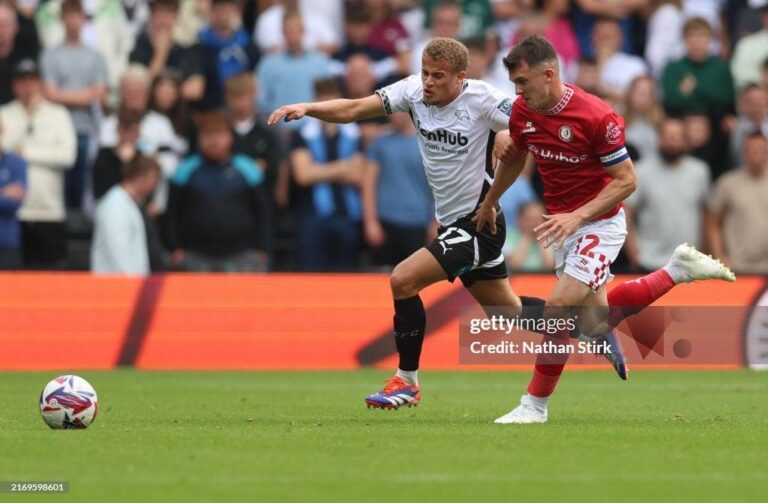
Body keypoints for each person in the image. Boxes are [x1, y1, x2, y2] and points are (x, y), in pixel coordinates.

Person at [269, 36, 733, 422]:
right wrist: (308, 107)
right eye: (425, 72)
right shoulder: (412, 92)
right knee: (510, 315)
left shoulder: (490, 100)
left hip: (480, 224)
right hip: (478, 217)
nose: (428, 82)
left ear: (461, 78)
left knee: (403, 279)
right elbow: (355, 108)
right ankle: (611, 315)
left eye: (438, 76)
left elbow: (527, 121)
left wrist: (511, 138)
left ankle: (410, 383)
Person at [474, 35, 733, 424]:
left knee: (559, 309)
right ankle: (676, 270)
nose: (518, 92)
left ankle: (534, 406)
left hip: (600, 223)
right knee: (592, 323)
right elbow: (516, 158)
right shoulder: (525, 112)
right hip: (563, 225)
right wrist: (491, 199)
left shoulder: (596, 116)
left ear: (549, 74)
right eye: (515, 84)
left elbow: (627, 180)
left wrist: (578, 217)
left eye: (523, 83)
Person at [163, 111, 271, 272]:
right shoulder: (185, 170)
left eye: (219, 135)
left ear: (229, 137)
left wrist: (263, 248)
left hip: (242, 255)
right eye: (208, 135)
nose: (214, 141)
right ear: (200, 138)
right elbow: (171, 212)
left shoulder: (248, 168)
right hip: (195, 256)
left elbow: (264, 211)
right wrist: (174, 248)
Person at [0, 58, 76, 269]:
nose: (27, 86)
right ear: (14, 85)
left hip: (48, 210)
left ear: (40, 83)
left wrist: (26, 152)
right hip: (12, 215)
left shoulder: (58, 114)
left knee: (49, 282)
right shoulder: (4, 113)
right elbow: (2, 149)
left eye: (32, 80)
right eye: (22, 81)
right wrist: (28, 122)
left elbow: (67, 156)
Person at [40, 0, 107, 210]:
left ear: (84, 20)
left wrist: (62, 94)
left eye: (77, 16)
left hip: (85, 128)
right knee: (59, 182)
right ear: (62, 19)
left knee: (82, 183)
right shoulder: (51, 55)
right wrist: (85, 95)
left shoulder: (95, 56)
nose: (73, 21)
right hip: (56, 127)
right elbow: (49, 94)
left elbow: (99, 94)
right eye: (68, 16)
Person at [708, 133, 768, 274]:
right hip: (739, 267)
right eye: (751, 149)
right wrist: (719, 257)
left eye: (761, 149)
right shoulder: (727, 183)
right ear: (743, 152)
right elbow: (713, 223)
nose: (756, 153)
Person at [91, 154, 160, 275]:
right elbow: (119, 254)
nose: (155, 184)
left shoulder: (131, 203)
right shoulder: (115, 206)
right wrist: (132, 285)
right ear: (139, 177)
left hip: (131, 286)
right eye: (153, 178)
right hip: (116, 288)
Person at [0, 122, 27, 269]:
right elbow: (8, 197)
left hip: (7, 241)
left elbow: (13, 203)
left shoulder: (16, 162)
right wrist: (4, 191)